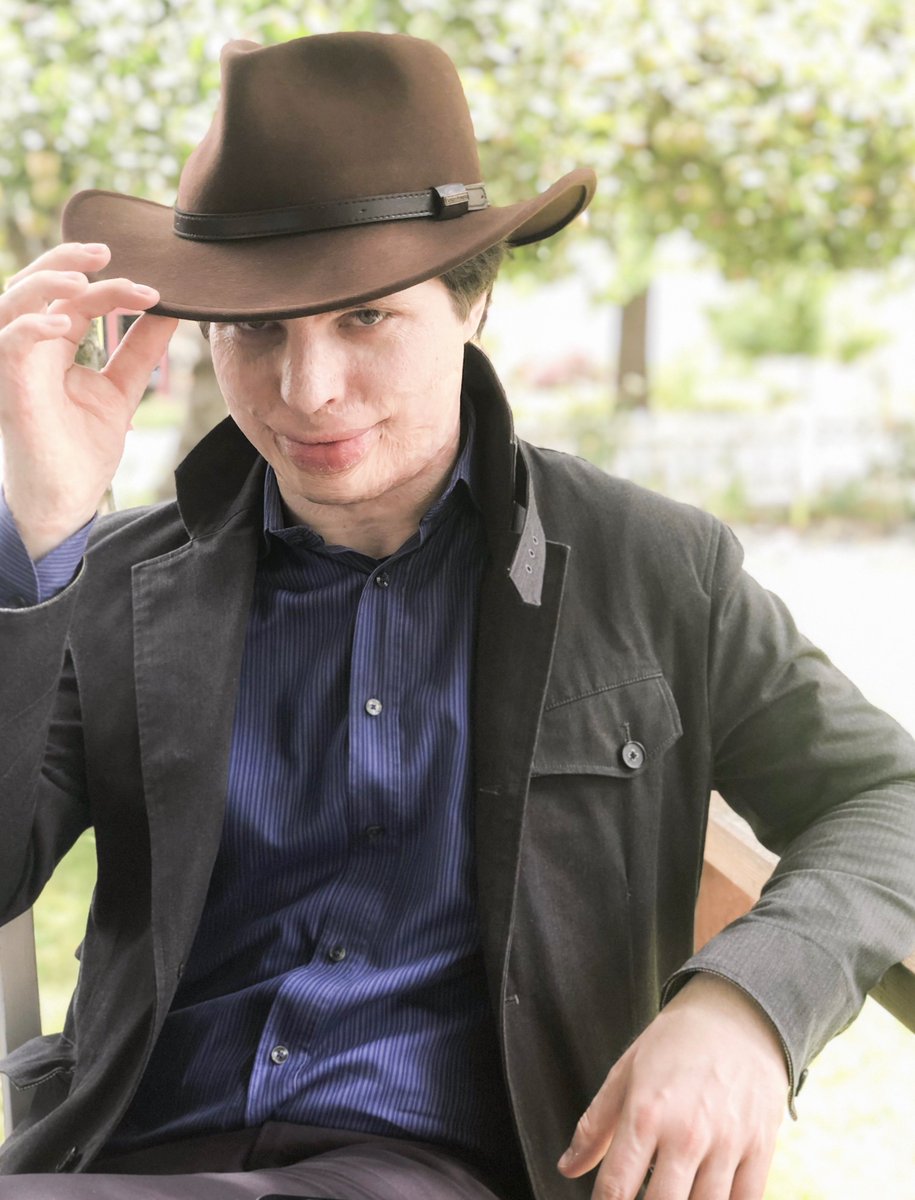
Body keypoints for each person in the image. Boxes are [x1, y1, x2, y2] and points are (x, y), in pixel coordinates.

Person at [0, 29, 913, 1200]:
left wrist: (750, 1000)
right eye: (257, 331)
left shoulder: (654, 568)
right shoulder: (114, 578)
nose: (306, 391)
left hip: (441, 1168)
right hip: (120, 1161)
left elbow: (886, 797)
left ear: (474, 303)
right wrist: (37, 533)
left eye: (365, 319)